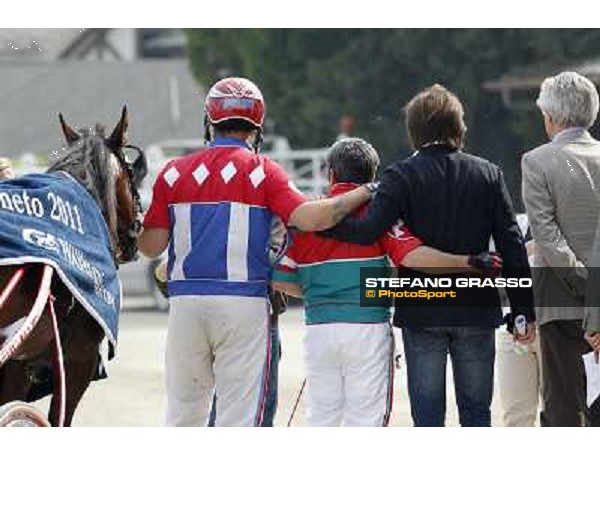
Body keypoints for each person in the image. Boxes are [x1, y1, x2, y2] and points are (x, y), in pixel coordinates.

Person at [138, 77, 374, 427]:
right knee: (239, 421)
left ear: (210, 121)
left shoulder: (173, 173)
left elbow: (150, 246)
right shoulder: (265, 172)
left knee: (183, 418)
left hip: (185, 306)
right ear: (256, 126)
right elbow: (312, 217)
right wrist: (365, 191)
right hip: (243, 307)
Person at [323, 84, 534, 427]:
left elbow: (367, 231)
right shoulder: (488, 174)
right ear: (457, 128)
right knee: (477, 413)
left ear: (414, 132)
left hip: (421, 309)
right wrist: (523, 310)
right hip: (476, 308)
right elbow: (511, 244)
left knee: (427, 417)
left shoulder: (400, 175)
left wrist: (322, 224)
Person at [272, 137, 503, 427]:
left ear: (330, 173)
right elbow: (413, 258)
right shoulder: (379, 213)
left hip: (319, 330)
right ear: (373, 175)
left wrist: (322, 295)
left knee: (322, 416)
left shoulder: (309, 217)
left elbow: (280, 279)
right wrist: (466, 261)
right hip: (368, 327)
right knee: (367, 419)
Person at [522, 70, 600, 427]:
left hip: (559, 302)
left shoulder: (537, 161)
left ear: (550, 117)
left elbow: (547, 236)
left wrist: (585, 286)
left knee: (563, 408)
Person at [496, 218, 543, 427]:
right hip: (512, 326)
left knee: (563, 414)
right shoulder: (505, 209)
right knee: (516, 418)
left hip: (557, 326)